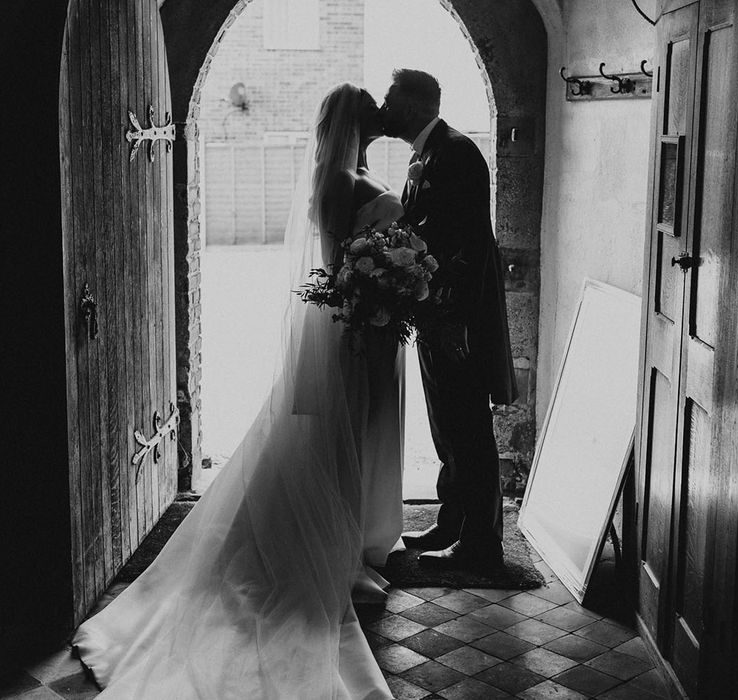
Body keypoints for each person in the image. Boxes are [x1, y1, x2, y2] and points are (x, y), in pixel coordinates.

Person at [71, 83, 405, 699]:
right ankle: (311, 551)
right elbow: (337, 263)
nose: (380, 119)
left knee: (340, 439)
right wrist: (377, 288)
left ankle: (341, 546)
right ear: (353, 124)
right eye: (370, 115)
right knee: (326, 438)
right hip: (347, 329)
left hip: (359, 327)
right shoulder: (339, 185)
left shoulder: (350, 176)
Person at [380, 68, 517, 571]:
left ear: (414, 106)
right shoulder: (426, 152)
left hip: (456, 320)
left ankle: (481, 542)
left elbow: (467, 246)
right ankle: (453, 520)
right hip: (433, 315)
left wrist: (454, 321)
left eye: (390, 99)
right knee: (446, 425)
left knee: (469, 427)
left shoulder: (456, 152)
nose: (383, 106)